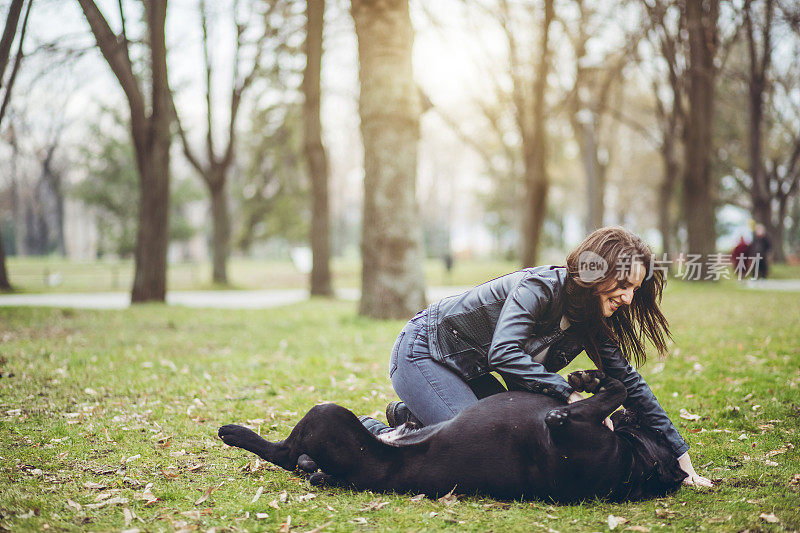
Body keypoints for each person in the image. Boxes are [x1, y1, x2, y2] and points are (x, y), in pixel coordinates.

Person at [361, 226, 713, 487]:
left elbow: (630, 383)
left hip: (467, 371)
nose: (629, 298)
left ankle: (410, 415)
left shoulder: (591, 318)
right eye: (623, 285)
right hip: (423, 351)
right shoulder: (540, 288)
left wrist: (682, 459)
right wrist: (568, 392)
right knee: (473, 451)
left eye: (635, 288)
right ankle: (372, 432)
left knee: (505, 438)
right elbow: (504, 352)